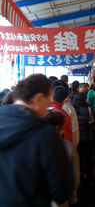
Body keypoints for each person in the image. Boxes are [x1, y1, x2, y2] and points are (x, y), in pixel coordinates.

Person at [0, 74, 71, 207]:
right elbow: (61, 191)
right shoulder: (45, 133)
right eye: (48, 100)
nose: (49, 106)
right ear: (38, 98)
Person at [46, 110, 80, 207]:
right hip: (61, 198)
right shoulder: (67, 146)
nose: (63, 132)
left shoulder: (35, 145)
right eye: (62, 129)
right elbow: (75, 175)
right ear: (57, 128)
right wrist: (73, 198)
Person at [73, 92, 95, 188]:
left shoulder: (73, 110)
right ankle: (89, 180)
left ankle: (80, 181)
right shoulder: (89, 109)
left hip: (77, 140)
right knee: (88, 160)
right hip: (88, 139)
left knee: (78, 160)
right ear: (85, 99)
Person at [52, 80, 79, 148]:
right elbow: (74, 130)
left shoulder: (44, 108)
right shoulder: (69, 109)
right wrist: (73, 147)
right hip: (65, 148)